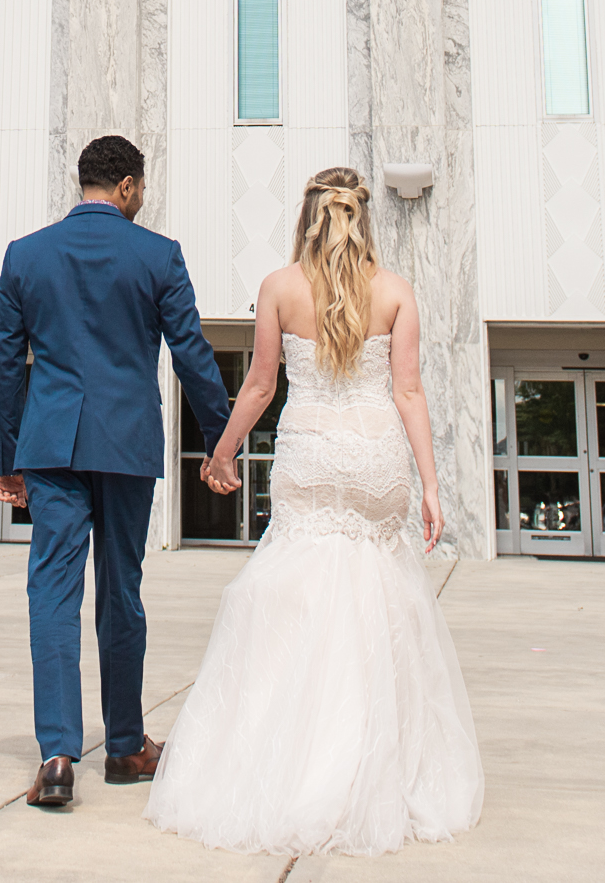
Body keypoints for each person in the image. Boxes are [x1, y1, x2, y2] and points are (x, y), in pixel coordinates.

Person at [146, 165, 485, 855]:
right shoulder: (394, 292)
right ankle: (372, 763)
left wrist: (221, 453)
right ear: (364, 217)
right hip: (376, 460)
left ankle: (292, 761)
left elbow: (262, 384)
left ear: (306, 219)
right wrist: (429, 485)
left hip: (310, 458)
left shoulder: (279, 287)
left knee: (295, 600)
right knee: (378, 603)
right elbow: (410, 393)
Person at [0, 134, 234, 812]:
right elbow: (191, 352)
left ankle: (58, 756)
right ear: (126, 186)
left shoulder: (25, 256)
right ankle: (126, 746)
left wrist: (7, 459)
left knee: (52, 593)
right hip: (125, 444)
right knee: (121, 591)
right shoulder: (157, 255)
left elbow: (7, 368)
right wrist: (220, 442)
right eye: (142, 187)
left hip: (51, 446)